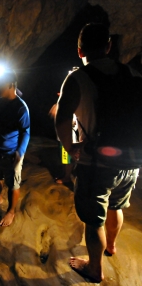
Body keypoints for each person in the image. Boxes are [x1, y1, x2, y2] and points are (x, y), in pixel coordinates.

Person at [55, 23, 139, 282]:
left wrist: (71, 149)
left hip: (98, 164)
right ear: (109, 46)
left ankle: (94, 268)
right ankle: (111, 246)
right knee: (117, 205)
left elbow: (61, 119)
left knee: (94, 220)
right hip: (133, 160)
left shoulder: (78, 78)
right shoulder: (134, 74)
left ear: (80, 50)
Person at [0, 69, 30, 227]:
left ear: (11, 84)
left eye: (0, 82)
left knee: (12, 183)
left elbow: (26, 132)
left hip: (12, 152)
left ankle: (11, 210)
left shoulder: (21, 108)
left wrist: (19, 152)